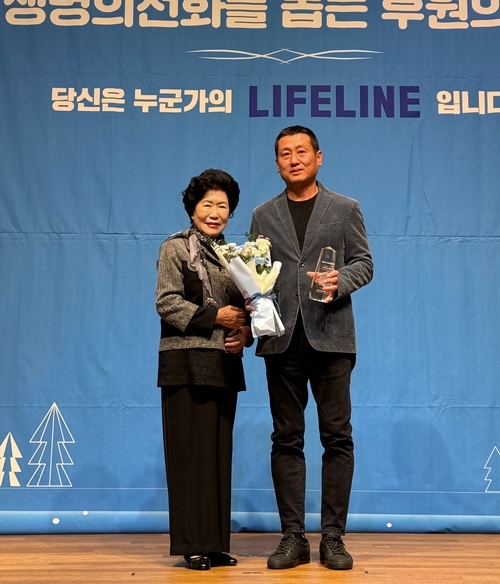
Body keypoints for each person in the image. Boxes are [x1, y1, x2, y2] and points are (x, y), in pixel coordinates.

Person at [250, 126, 373, 571]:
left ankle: (333, 539)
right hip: (280, 338)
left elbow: (364, 263)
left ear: (318, 157)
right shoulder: (263, 215)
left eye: (301, 151)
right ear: (277, 164)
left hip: (331, 336)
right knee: (286, 438)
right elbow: (255, 274)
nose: (294, 159)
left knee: (337, 437)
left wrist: (342, 280)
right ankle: (293, 537)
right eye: (285, 153)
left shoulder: (345, 208)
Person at [155, 169, 251, 571]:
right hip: (185, 363)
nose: (215, 213)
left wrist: (245, 332)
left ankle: (213, 543)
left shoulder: (237, 257)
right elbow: (167, 302)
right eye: (207, 204)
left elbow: (243, 310)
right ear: (193, 208)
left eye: (223, 206)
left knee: (216, 458)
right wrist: (216, 317)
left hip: (223, 364)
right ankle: (192, 544)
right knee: (190, 458)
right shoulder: (175, 248)